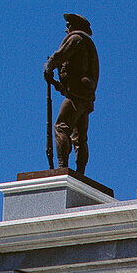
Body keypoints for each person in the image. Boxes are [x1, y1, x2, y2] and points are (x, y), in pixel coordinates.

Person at [44, 14, 99, 174]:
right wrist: (54, 82)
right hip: (85, 95)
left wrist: (50, 65)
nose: (66, 28)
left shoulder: (76, 39)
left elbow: (61, 54)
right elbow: (72, 77)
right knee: (80, 136)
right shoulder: (87, 43)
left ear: (75, 25)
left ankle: (62, 167)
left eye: (68, 24)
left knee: (61, 127)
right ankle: (80, 171)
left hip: (78, 94)